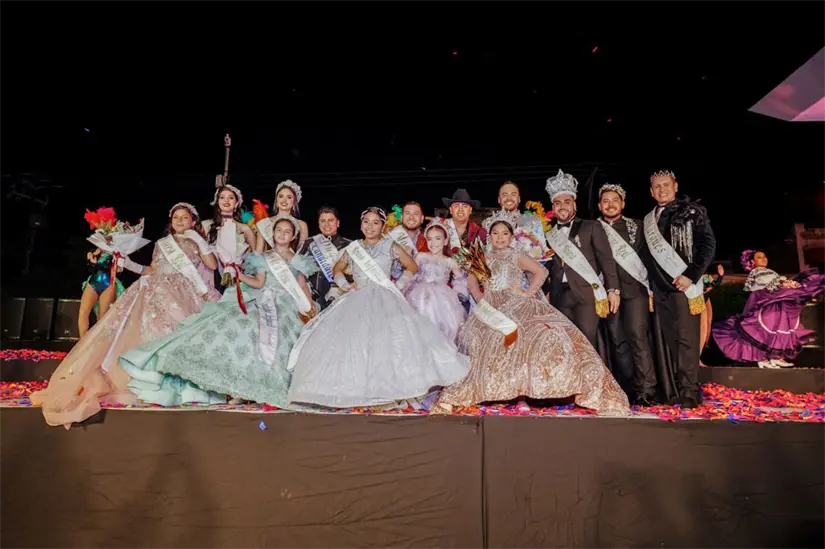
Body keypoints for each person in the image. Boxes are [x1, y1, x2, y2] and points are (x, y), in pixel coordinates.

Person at [30, 203, 221, 426]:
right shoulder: (161, 244)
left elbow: (212, 264)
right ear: (171, 222)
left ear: (193, 222)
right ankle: (151, 382)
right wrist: (128, 263)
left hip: (184, 293)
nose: (180, 221)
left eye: (185, 217)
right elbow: (152, 269)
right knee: (151, 333)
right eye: (176, 217)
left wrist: (198, 240)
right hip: (158, 290)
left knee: (179, 335)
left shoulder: (196, 242)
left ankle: (179, 384)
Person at [433, 210, 629, 416]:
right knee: (481, 340)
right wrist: (481, 301)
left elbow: (541, 271)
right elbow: (472, 282)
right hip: (491, 306)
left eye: (504, 233)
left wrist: (528, 293)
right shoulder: (482, 256)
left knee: (530, 338)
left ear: (511, 236)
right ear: (489, 237)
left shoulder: (516, 255)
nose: (500, 237)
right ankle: (497, 392)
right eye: (495, 234)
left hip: (517, 303)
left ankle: (520, 394)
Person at [121, 214, 318, 407]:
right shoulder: (263, 258)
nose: (282, 234)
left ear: (293, 236)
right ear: (272, 233)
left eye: (287, 232)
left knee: (277, 337)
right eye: (279, 230)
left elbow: (301, 286)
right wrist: (239, 275)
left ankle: (264, 387)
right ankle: (240, 388)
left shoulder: (298, 261)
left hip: (285, 304)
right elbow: (259, 283)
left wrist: (310, 308)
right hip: (262, 298)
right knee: (244, 327)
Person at [286, 207, 469, 409]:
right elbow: (337, 268)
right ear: (361, 224)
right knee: (354, 344)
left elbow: (412, 267)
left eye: (375, 222)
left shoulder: (391, 245)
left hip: (384, 298)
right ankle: (354, 390)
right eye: (366, 222)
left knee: (385, 344)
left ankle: (384, 390)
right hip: (357, 298)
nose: (370, 226)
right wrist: (345, 285)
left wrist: (397, 286)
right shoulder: (353, 247)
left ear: (383, 226)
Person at [644, 170, 716, 409]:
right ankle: (675, 388)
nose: (662, 190)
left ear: (675, 186)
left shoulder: (692, 212)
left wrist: (691, 275)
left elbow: (707, 245)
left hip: (684, 287)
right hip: (660, 290)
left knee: (687, 340)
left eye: (666, 185)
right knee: (671, 341)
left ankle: (690, 392)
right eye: (657, 187)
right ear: (651, 191)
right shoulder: (649, 219)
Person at [596, 183, 658, 405]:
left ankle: (647, 388)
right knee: (617, 341)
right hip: (607, 293)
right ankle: (628, 388)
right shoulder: (593, 228)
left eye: (615, 200)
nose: (610, 204)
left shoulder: (637, 226)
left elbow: (649, 259)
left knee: (638, 337)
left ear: (622, 203)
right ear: (599, 205)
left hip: (635, 291)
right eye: (606, 201)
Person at [544, 169, 620, 349]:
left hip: (586, 294)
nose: (562, 206)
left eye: (567, 202)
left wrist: (613, 289)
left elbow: (606, 259)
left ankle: (591, 377)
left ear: (575, 205)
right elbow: (545, 267)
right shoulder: (547, 235)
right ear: (553, 208)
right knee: (564, 344)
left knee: (587, 343)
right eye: (557, 203)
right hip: (559, 296)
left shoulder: (591, 226)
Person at [713, 250, 825, 368]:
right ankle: (761, 357)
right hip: (763, 301)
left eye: (764, 256)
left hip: (773, 302)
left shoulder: (769, 272)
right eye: (759, 257)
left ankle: (774, 356)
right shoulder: (757, 272)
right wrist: (784, 284)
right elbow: (767, 284)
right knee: (760, 331)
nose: (764, 259)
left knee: (776, 328)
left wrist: (790, 284)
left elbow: (777, 284)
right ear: (752, 262)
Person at [404, 218, 467, 342]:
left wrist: (460, 292)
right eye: (429, 239)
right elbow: (411, 274)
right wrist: (403, 285)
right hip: (419, 296)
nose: (433, 243)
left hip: (443, 299)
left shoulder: (450, 261)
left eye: (438, 238)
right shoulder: (421, 256)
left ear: (445, 241)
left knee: (443, 328)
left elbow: (459, 280)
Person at [298, 206, 351, 310]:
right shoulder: (310, 243)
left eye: (330, 220)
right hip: (314, 299)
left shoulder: (349, 245)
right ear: (318, 223)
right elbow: (297, 269)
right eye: (322, 221)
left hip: (342, 300)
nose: (326, 224)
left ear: (338, 223)